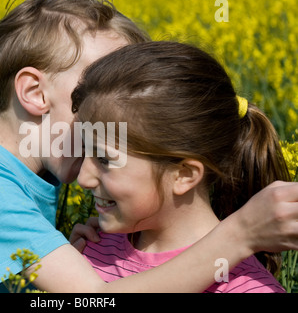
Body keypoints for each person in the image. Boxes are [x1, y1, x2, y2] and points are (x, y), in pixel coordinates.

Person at [0, 0, 298, 293]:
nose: (102, 108)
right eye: (89, 91)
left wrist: (65, 256)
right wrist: (239, 234)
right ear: (34, 92)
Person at [70, 41, 292, 292]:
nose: (82, 178)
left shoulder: (243, 288)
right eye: (84, 152)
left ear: (184, 175)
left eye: (104, 160)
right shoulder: (93, 248)